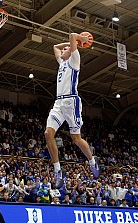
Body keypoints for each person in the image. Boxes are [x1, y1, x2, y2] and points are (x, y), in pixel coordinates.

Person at [44, 32, 99, 189]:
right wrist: (67, 45)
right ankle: (57, 170)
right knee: (48, 134)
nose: (64, 50)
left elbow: (72, 35)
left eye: (67, 48)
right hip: (58, 103)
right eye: (65, 49)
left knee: (76, 138)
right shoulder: (61, 62)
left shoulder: (75, 60)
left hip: (71, 101)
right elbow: (55, 46)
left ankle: (92, 161)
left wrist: (79, 41)